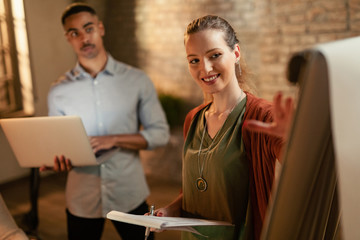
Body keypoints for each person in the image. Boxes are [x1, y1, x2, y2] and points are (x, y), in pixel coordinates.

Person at [151, 15, 294, 240]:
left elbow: (300, 166)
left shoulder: (262, 116)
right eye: (194, 60)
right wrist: (171, 210)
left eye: (214, 55)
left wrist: (294, 141)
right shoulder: (193, 119)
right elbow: (197, 188)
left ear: (236, 53)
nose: (205, 68)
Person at [42, 3, 169, 240]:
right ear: (68, 38)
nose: (83, 38)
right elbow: (59, 146)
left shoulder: (137, 80)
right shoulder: (58, 91)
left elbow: (160, 133)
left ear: (100, 28)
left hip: (129, 193)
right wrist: (57, 162)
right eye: (74, 33)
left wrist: (114, 139)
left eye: (88, 28)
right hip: (81, 199)